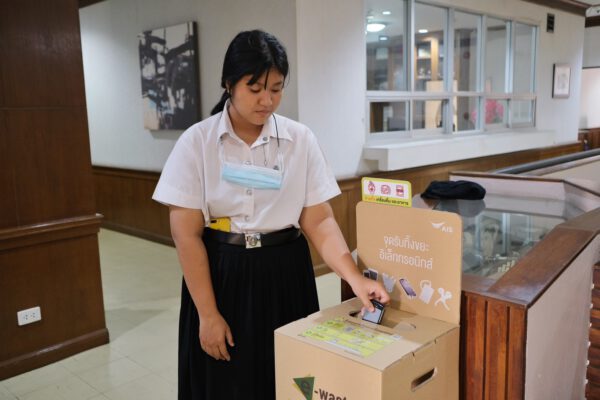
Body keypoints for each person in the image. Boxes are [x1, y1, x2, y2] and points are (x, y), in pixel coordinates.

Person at [152, 29, 389, 400]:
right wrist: (208, 315)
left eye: (276, 89)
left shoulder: (300, 140)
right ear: (228, 84)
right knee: (226, 383)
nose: (267, 100)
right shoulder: (197, 142)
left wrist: (354, 277)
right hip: (222, 273)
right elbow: (186, 235)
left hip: (286, 274)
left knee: (289, 381)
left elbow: (319, 221)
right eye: (255, 88)